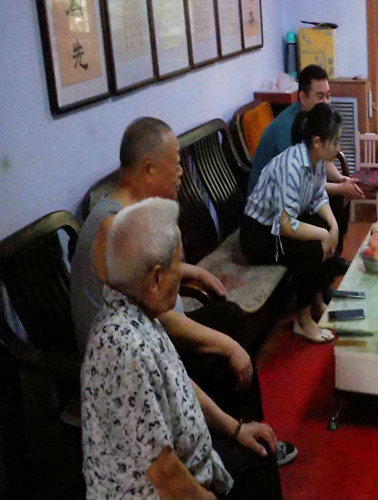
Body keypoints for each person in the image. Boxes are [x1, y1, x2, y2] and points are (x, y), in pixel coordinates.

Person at [71, 117, 297, 466]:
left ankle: (249, 435)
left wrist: (194, 272)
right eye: (175, 163)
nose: (181, 173)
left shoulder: (131, 213)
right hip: (133, 365)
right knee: (229, 355)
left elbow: (154, 290)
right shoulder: (114, 229)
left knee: (229, 317)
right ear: (149, 170)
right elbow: (158, 320)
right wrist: (228, 346)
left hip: (157, 335)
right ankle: (240, 446)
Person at [81, 198, 283, 499]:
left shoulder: (138, 312)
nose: (183, 275)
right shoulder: (123, 349)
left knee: (259, 450)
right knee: (256, 468)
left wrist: (236, 428)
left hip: (195, 463)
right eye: (178, 265)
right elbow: (162, 473)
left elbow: (179, 382)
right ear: (155, 279)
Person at [241, 102, 342, 343]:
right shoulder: (292, 166)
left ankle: (317, 302)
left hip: (280, 224)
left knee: (324, 226)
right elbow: (285, 226)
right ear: (318, 142)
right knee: (311, 248)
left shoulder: (316, 159)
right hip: (259, 235)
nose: (339, 148)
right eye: (336, 142)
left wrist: (333, 226)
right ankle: (303, 321)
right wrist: (322, 234)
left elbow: (318, 196)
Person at [249, 64, 363, 266]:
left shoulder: (313, 132)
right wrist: (340, 190)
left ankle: (330, 260)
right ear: (303, 97)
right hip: (267, 220)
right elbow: (299, 185)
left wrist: (341, 180)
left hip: (293, 202)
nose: (326, 102)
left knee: (329, 214)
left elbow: (318, 174)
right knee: (315, 242)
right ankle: (323, 267)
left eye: (328, 96)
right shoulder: (289, 134)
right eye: (320, 96)